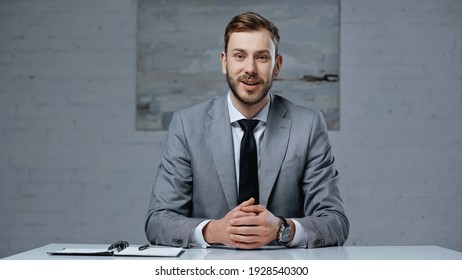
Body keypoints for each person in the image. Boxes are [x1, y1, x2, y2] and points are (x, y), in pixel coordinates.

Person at [145, 11, 349, 249]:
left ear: (277, 66)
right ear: (224, 62)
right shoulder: (186, 125)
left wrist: (283, 229)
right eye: (239, 56)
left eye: (262, 57)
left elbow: (336, 222)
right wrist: (213, 231)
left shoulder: (308, 126)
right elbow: (157, 220)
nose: (250, 68)